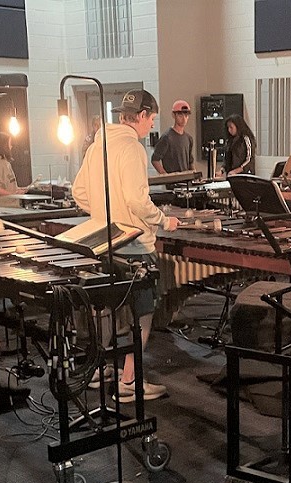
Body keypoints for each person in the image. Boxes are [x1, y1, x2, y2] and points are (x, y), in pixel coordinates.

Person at [71, 89, 180, 402]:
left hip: (104, 243)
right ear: (143, 116)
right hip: (134, 244)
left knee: (106, 307)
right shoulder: (132, 147)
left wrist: (106, 213)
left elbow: (79, 192)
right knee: (143, 313)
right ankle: (130, 381)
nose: (150, 126)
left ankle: (98, 369)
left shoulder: (98, 145)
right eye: (152, 119)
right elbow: (136, 199)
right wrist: (164, 221)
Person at [151, 100, 195, 174]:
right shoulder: (167, 137)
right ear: (174, 115)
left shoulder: (188, 138)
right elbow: (155, 160)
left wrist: (195, 176)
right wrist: (166, 176)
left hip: (187, 182)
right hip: (173, 183)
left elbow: (190, 161)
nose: (184, 119)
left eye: (186, 115)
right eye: (180, 115)